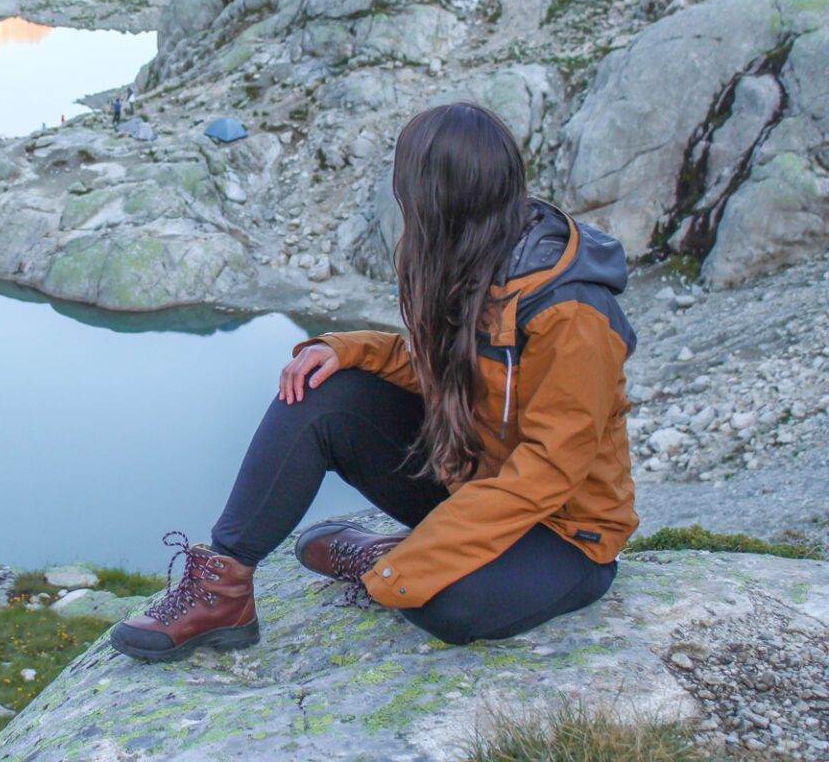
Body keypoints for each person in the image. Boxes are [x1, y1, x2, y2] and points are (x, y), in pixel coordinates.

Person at [109, 103, 637, 662]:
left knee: (445, 606)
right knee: (321, 392)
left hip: (564, 532)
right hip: (472, 481)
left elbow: (549, 470)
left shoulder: (574, 314)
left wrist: (410, 565)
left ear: (438, 198)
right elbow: (437, 369)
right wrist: (343, 350)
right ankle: (223, 589)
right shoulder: (469, 256)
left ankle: (383, 554)